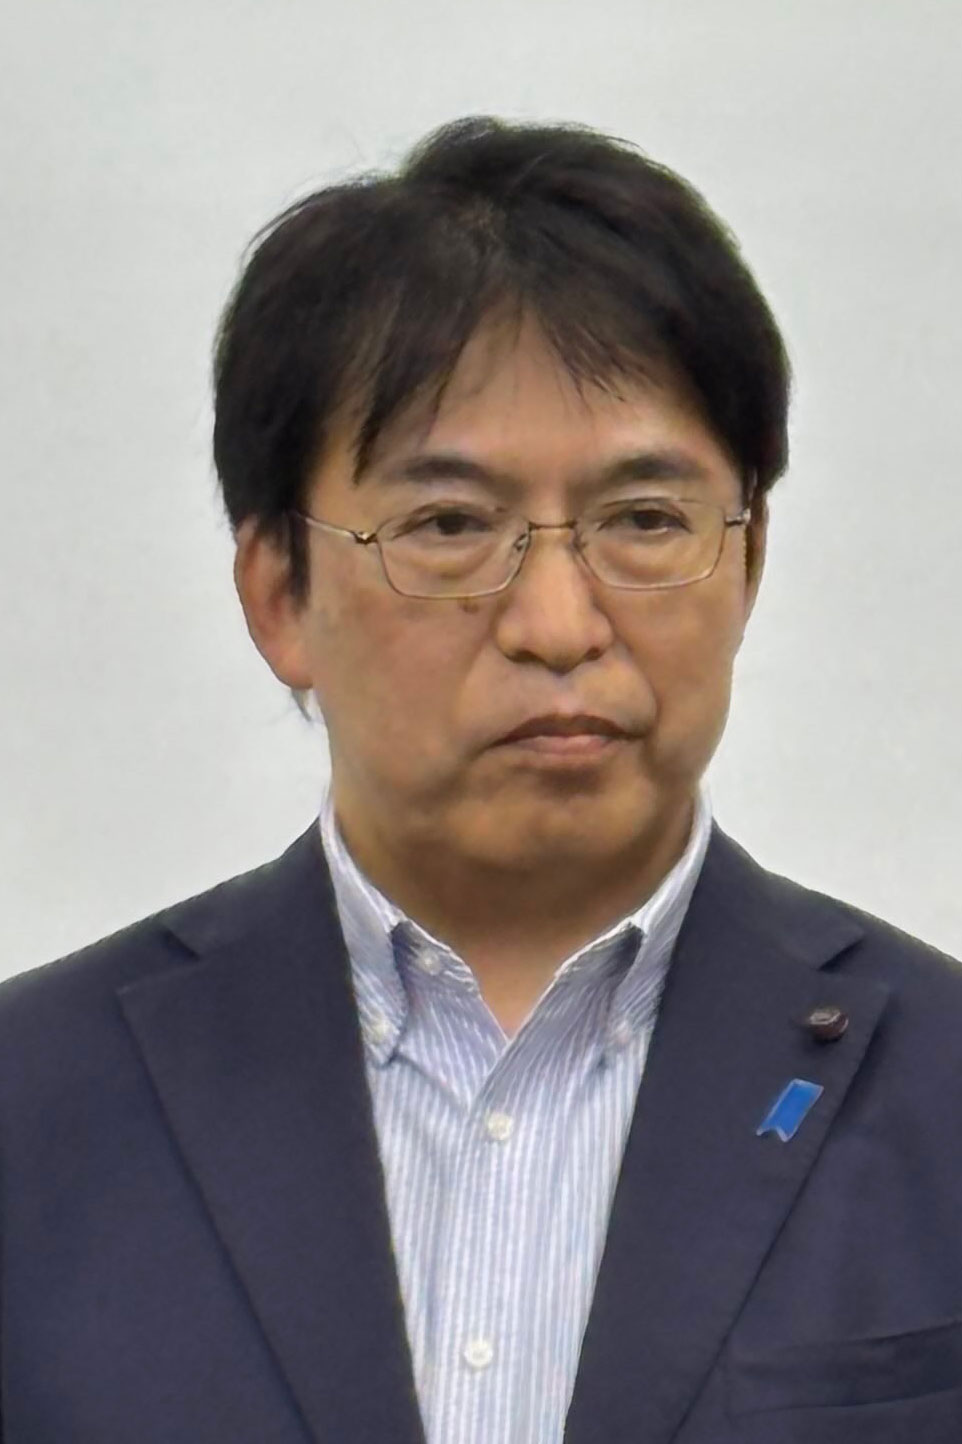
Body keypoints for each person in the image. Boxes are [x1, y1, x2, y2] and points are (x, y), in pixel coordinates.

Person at [2, 115, 961, 1444]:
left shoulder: (940, 1086)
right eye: (450, 524)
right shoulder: (34, 1104)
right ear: (278, 592)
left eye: (644, 521)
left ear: (744, 567)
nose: (558, 624)